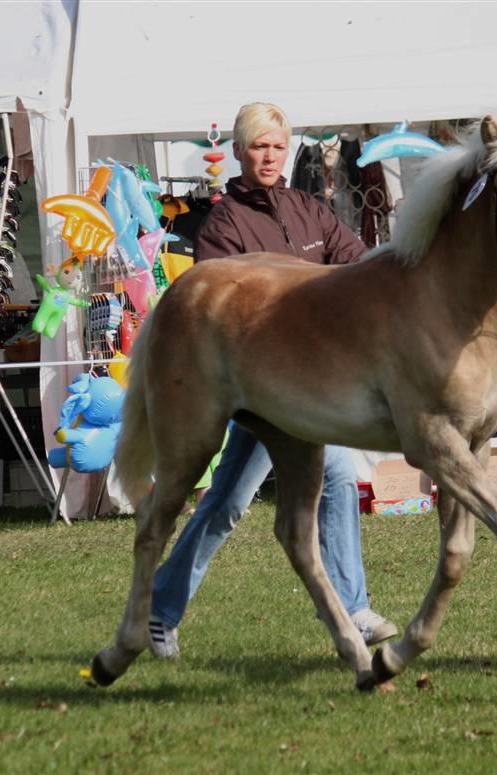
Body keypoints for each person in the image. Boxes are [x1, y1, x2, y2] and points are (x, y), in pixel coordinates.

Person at [148, 103, 397, 658]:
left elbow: (354, 263)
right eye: (259, 146)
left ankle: (160, 609)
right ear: (239, 152)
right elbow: (221, 311)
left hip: (310, 382)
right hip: (257, 388)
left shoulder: (309, 208)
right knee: (304, 481)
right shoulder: (223, 225)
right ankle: (351, 610)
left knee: (234, 499)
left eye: (277, 146)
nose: (269, 155)